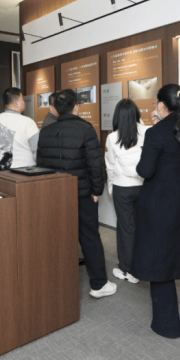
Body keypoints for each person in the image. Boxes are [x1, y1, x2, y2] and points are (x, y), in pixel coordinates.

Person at [131, 84, 180, 338]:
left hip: (162, 205)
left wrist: (153, 135)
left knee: (161, 260)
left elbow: (145, 170)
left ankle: (168, 325)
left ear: (161, 105)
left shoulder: (155, 132)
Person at [37, 89, 115, 299]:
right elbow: (95, 164)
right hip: (82, 194)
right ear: (76, 107)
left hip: (55, 195)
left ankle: (57, 285)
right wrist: (97, 190)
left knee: (58, 237)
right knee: (89, 236)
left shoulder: (45, 132)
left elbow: (40, 165)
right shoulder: (86, 129)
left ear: (56, 109)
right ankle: (98, 284)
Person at [104, 99, 148, 284]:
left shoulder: (113, 137)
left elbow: (110, 166)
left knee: (126, 229)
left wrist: (110, 187)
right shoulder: (147, 131)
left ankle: (128, 269)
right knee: (143, 227)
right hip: (144, 186)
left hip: (122, 188)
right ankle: (143, 264)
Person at [0, 87, 39, 170]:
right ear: (16, 103)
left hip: (3, 171)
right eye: (22, 99)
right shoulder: (28, 122)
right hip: (27, 171)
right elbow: (37, 149)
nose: (24, 102)